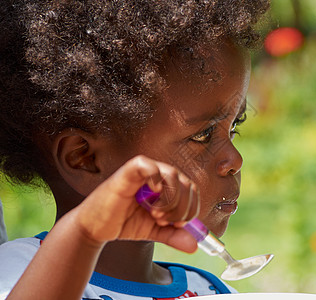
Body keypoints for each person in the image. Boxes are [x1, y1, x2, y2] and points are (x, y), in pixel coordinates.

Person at [0, 0, 270, 299]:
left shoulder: (212, 291)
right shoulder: (19, 274)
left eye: (234, 126)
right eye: (203, 135)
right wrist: (85, 234)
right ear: (84, 158)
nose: (235, 160)